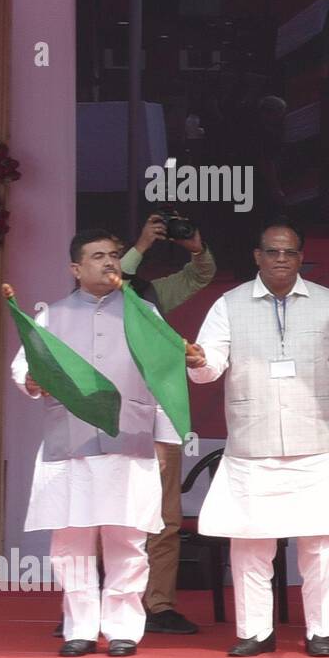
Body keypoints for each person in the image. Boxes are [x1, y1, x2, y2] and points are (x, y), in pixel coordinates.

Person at [185, 217, 329, 657]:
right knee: (249, 545)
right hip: (253, 442)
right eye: (272, 252)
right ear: (257, 257)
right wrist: (195, 360)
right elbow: (211, 367)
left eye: (289, 252)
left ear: (301, 257)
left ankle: (320, 632)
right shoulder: (229, 304)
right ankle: (254, 632)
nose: (281, 259)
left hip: (317, 441)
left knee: (319, 544)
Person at [11, 230, 182, 657]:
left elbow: (166, 378)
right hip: (70, 444)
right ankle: (80, 629)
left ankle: (124, 627)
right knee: (71, 541)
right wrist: (31, 381)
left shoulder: (143, 313)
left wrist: (165, 439)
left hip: (131, 439)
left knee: (127, 538)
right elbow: (24, 367)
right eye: (98, 256)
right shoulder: (53, 315)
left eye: (114, 255)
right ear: (76, 268)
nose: (109, 262)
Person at [122, 211, 218, 636]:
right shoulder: (98, 300)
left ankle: (157, 604)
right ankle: (103, 603)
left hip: (161, 418)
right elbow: (112, 281)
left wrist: (193, 245)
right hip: (115, 422)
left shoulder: (152, 294)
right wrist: (141, 245)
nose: (112, 269)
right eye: (103, 260)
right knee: (111, 519)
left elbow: (201, 275)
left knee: (165, 519)